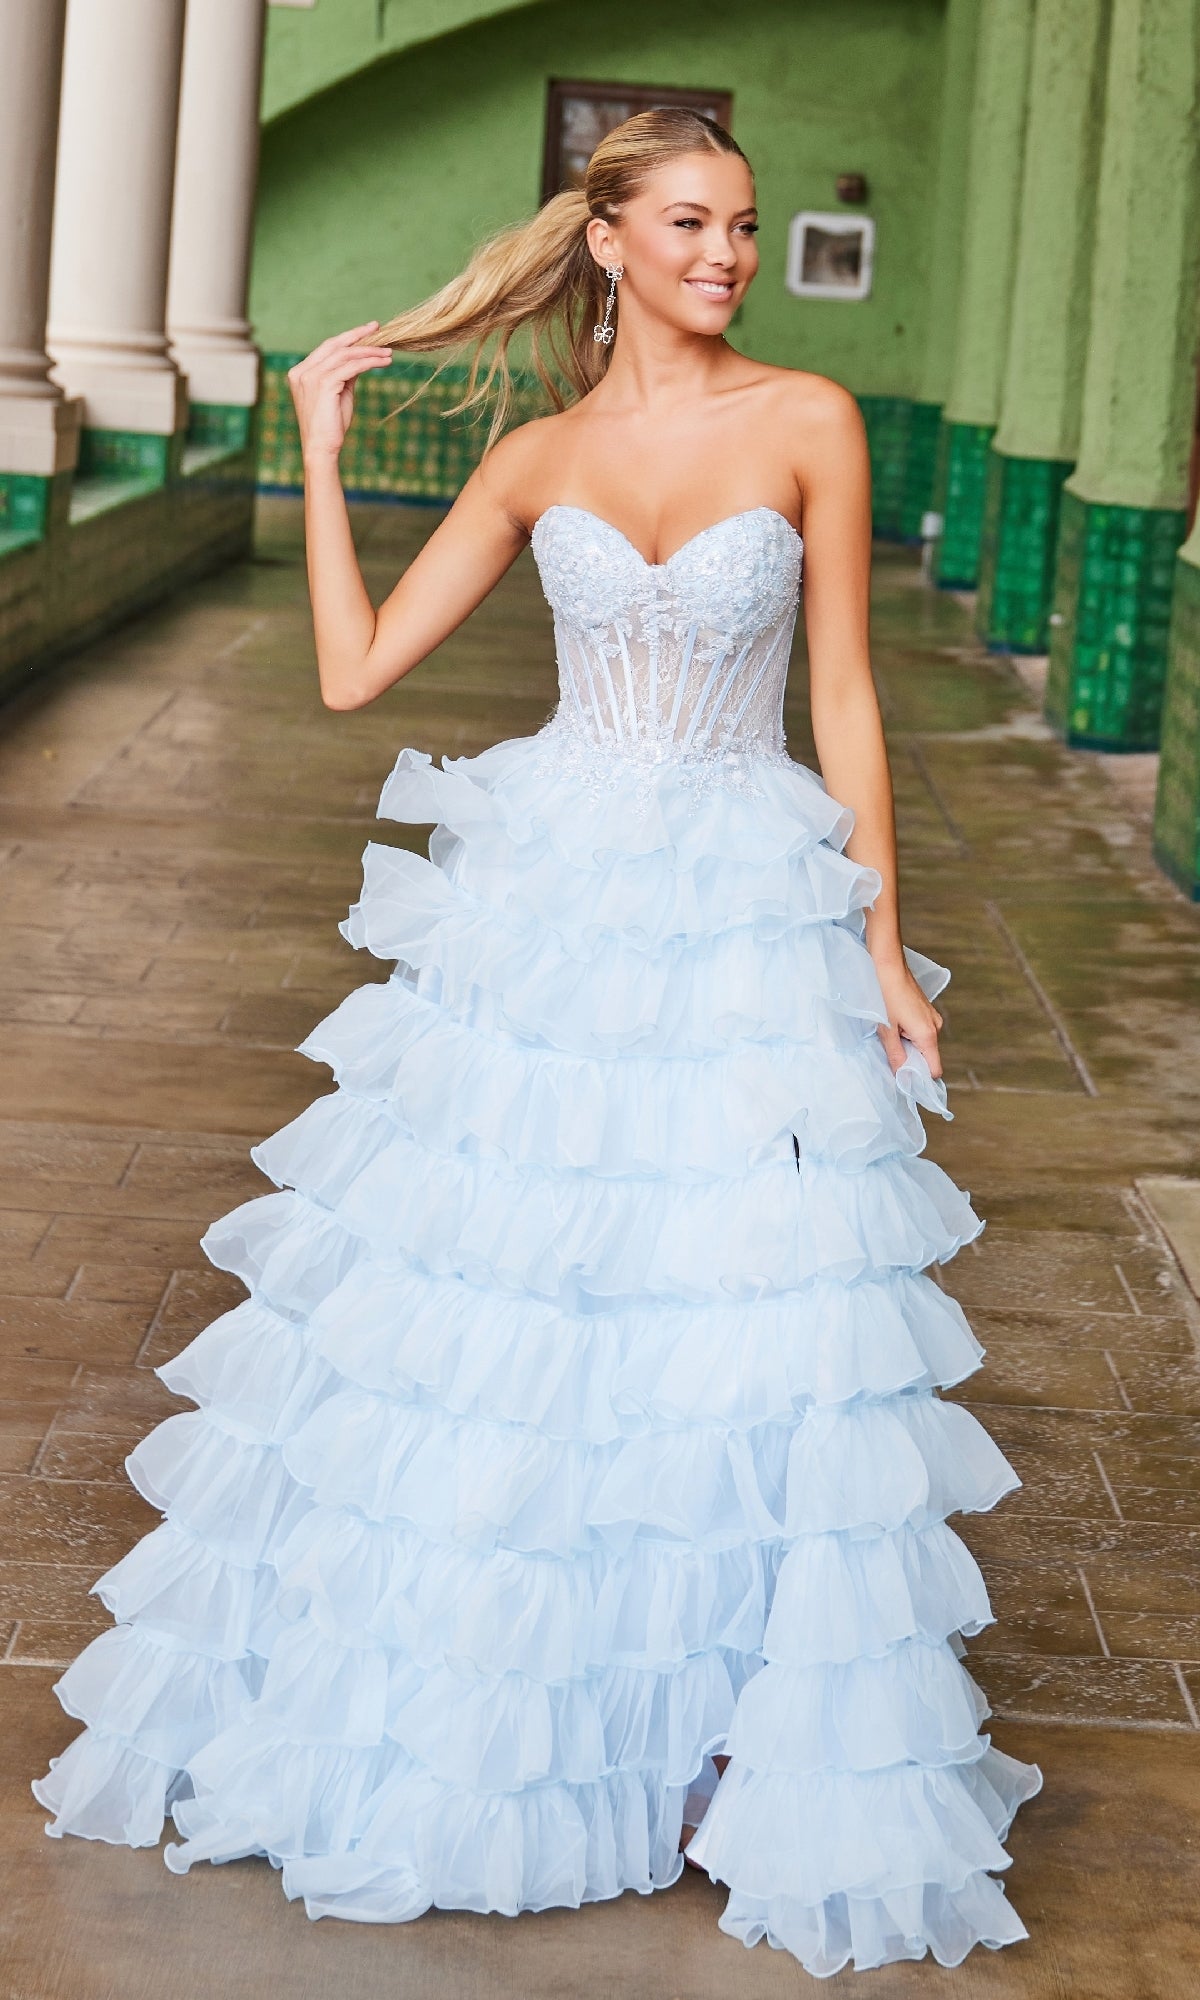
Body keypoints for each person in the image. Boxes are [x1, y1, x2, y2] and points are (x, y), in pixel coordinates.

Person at [34, 109, 1041, 1976]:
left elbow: (843, 698)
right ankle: (523, 1698)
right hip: (554, 894)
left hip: (741, 896)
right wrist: (317, 447)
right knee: (520, 1301)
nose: (726, 254)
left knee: (742, 1294)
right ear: (609, 241)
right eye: (692, 223)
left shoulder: (809, 420)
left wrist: (884, 950)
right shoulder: (535, 456)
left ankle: (718, 1731)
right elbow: (354, 673)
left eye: (744, 225)